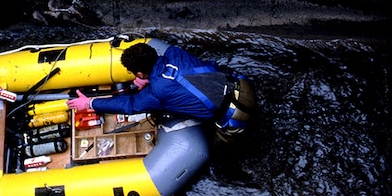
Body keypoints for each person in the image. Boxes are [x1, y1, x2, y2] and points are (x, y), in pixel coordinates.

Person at [67, 41, 256, 142]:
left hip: (235, 116)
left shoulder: (157, 92)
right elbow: (177, 77)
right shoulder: (174, 53)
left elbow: (130, 105)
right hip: (241, 85)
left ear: (140, 72)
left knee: (220, 150)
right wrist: (149, 78)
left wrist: (89, 103)